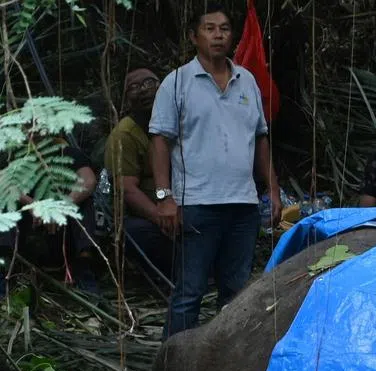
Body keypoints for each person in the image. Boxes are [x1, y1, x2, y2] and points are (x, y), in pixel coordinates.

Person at [149, 2, 281, 337]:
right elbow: (160, 141)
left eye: (223, 28)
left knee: (236, 294)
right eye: (210, 28)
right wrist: (164, 197)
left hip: (243, 206)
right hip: (197, 204)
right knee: (188, 293)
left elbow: (260, 139)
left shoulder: (247, 80)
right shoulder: (177, 82)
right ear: (194, 36)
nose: (218, 35)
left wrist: (274, 190)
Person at [0, 136, 99, 293]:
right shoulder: (14, 159)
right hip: (26, 232)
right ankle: (4, 272)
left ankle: (84, 271)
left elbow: (88, 180)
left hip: (63, 234)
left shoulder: (69, 154)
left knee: (85, 203)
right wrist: (32, 205)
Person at [104, 67, 173, 278]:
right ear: (126, 99)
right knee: (136, 232)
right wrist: (160, 216)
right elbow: (128, 188)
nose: (144, 91)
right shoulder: (124, 135)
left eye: (149, 84)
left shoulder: (176, 121)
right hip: (145, 214)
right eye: (134, 88)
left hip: (181, 203)